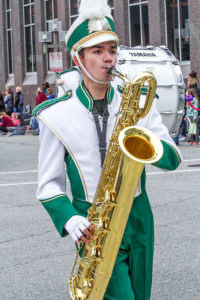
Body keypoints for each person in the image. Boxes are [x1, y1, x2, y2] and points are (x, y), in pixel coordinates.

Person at [33, 1, 182, 299]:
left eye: (112, 50)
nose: (108, 59)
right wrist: (70, 218)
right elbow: (48, 183)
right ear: (78, 58)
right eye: (97, 51)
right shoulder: (54, 115)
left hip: (138, 215)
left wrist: (145, 139)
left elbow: (172, 158)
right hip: (92, 220)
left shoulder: (138, 100)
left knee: (140, 295)